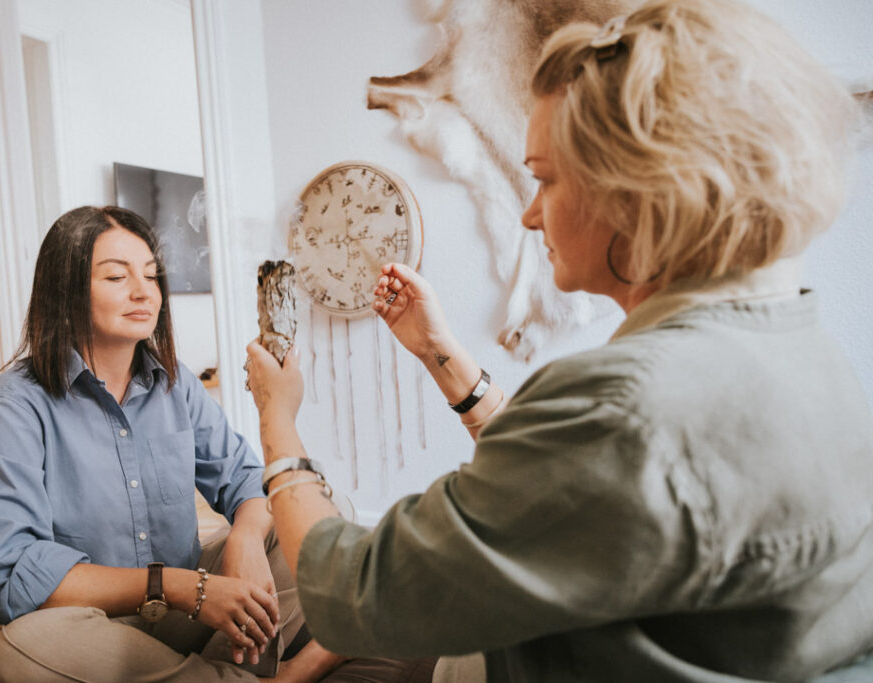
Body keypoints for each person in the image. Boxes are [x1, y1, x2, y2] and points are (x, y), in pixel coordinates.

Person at [243, 0, 873, 680]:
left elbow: (349, 589)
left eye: (544, 178)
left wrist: (278, 425)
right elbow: (584, 493)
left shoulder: (627, 404)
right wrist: (440, 354)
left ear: (634, 191)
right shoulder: (802, 348)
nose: (529, 211)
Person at [0, 206, 342, 682]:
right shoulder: (13, 404)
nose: (144, 292)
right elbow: (10, 575)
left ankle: (218, 670)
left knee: (316, 516)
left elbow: (248, 480)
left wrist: (244, 538)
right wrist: (182, 587)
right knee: (14, 654)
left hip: (184, 618)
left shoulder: (176, 382)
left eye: (151, 275)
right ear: (66, 291)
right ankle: (278, 674)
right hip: (91, 626)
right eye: (116, 277)